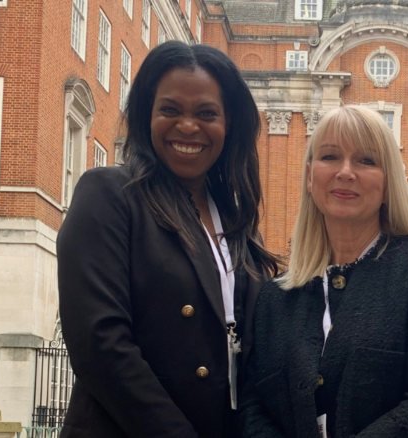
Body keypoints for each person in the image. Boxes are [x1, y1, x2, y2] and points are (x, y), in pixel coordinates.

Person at [57, 41, 279, 438]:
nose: (188, 126)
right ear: (147, 115)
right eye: (170, 110)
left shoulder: (239, 225)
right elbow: (100, 344)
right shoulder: (109, 194)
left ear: (229, 124)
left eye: (207, 113)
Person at [238, 105, 408, 438]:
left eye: (366, 160)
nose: (346, 172)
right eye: (330, 156)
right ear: (310, 177)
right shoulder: (276, 297)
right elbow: (253, 406)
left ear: (389, 181)